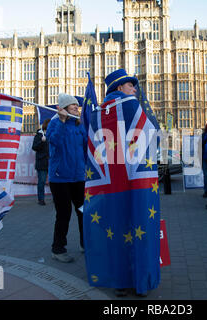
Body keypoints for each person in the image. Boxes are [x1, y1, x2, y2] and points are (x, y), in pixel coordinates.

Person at [83, 69, 160, 298]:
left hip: (108, 187)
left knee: (114, 229)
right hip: (135, 183)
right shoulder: (132, 106)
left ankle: (119, 282)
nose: (135, 90)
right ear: (119, 88)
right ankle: (140, 282)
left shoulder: (97, 113)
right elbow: (152, 130)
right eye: (131, 85)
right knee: (138, 227)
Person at [46, 93, 87, 263]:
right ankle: (58, 248)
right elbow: (54, 141)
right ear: (63, 108)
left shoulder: (79, 124)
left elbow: (85, 148)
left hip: (78, 176)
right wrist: (62, 122)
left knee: (83, 212)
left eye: (77, 106)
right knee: (64, 214)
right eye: (73, 106)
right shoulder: (55, 123)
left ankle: (86, 244)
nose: (76, 108)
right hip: (60, 177)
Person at [32, 119, 50, 206]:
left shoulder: (52, 134)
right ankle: (41, 199)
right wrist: (41, 142)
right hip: (42, 162)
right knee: (42, 182)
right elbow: (34, 147)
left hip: (52, 162)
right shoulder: (39, 135)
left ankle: (57, 198)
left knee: (55, 182)